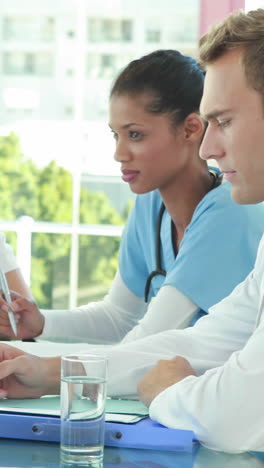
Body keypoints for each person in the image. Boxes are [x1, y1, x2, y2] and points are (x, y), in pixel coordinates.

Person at [1, 30, 264, 453]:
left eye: (225, 122)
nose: (209, 147)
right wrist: (46, 370)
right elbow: (195, 341)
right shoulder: (155, 208)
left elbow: (230, 417)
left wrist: (166, 390)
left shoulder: (230, 213)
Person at [0, 50, 263, 345]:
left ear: (191, 129)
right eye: (116, 135)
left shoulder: (231, 212)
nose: (119, 154)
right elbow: (118, 317)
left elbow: (149, 338)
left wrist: (46, 369)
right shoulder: (151, 206)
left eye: (135, 135)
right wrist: (41, 324)